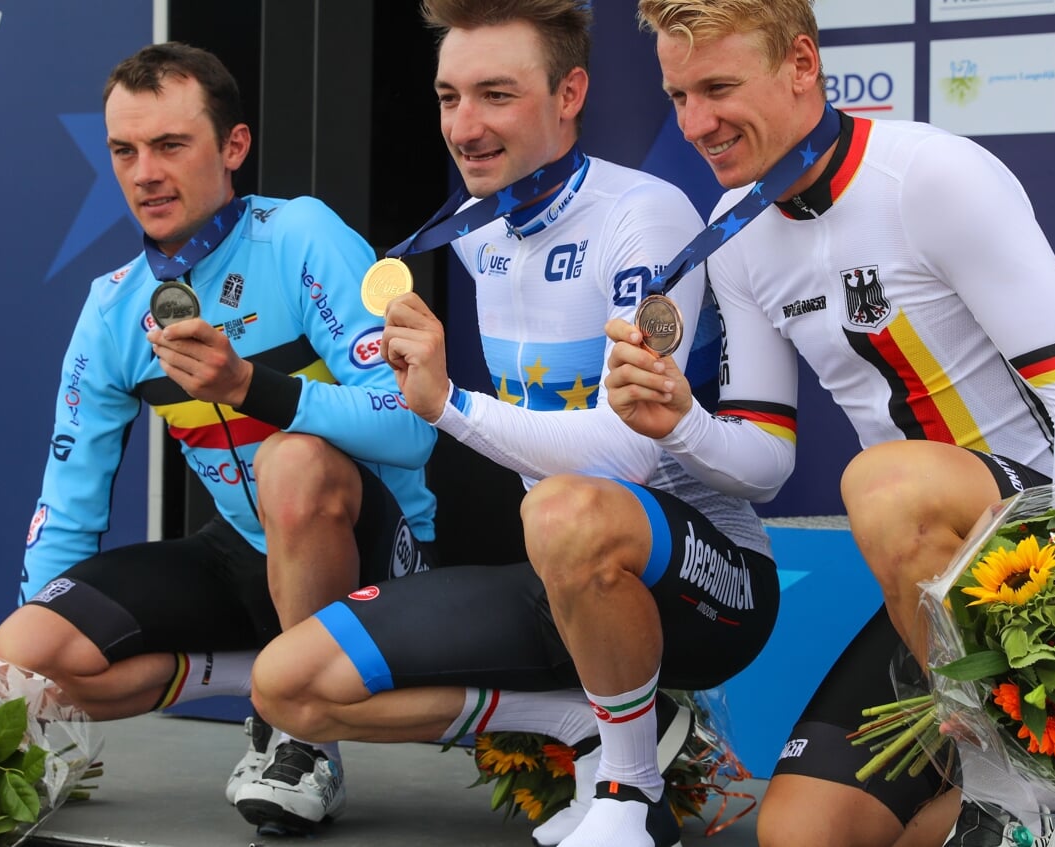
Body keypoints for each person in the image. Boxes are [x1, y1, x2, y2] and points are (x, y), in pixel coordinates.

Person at [607, 2, 1055, 846]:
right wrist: (679, 423)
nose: (696, 123)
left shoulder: (928, 175)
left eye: (717, 88)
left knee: (884, 482)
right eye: (677, 96)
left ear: (801, 65)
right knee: (802, 833)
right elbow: (760, 463)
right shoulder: (734, 231)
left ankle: (1018, 802)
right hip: (936, 579)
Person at [249, 2, 779, 846]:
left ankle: (630, 787)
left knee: (566, 507)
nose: (465, 125)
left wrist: (447, 403)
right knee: (287, 687)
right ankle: (573, 722)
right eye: (448, 96)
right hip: (559, 568)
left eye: (495, 94)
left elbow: (621, 454)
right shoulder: (476, 232)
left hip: (708, 582)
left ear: (569, 92)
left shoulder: (643, 215)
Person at [0, 41, 441, 835]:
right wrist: (10, 709)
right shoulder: (113, 307)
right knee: (24, 650)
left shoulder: (299, 236)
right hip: (245, 551)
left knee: (290, 460)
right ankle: (257, 679)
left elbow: (410, 428)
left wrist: (250, 388)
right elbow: (69, 499)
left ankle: (303, 742)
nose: (143, 173)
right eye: (124, 151)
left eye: (169, 145)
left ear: (233, 147)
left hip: (375, 554)